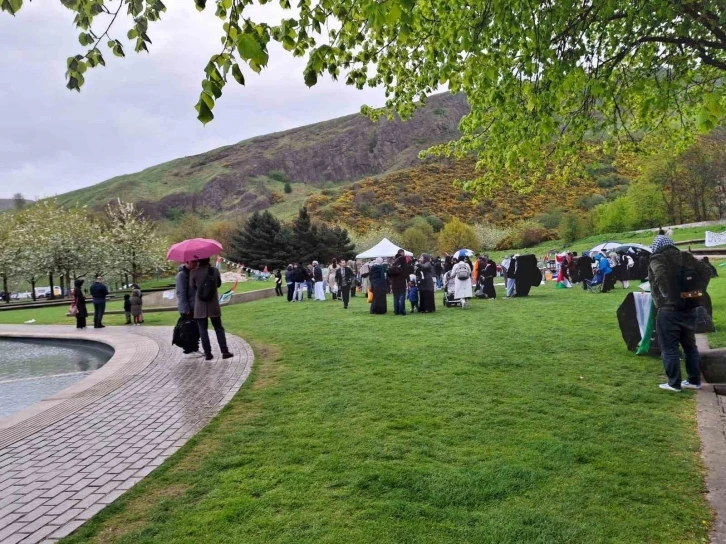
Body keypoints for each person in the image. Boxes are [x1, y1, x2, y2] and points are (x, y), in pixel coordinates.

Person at [649, 235, 711, 392]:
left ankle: (673, 383)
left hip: (668, 310)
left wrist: (667, 296)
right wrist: (698, 291)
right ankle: (694, 380)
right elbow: (706, 270)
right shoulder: (686, 256)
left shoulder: (658, 258)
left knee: (669, 347)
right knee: (690, 346)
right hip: (690, 307)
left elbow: (660, 276)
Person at [190, 257, 233, 361]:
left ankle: (208, 354)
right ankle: (225, 351)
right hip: (213, 304)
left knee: (203, 330)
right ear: (208, 259)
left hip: (200, 305)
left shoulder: (193, 272)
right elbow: (218, 284)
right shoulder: (214, 270)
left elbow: (192, 286)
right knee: (218, 328)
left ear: (199, 260)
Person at [176, 261, 201, 354]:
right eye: (193, 262)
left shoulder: (193, 273)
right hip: (188, 308)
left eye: (196, 262)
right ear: (187, 262)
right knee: (188, 329)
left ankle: (194, 347)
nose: (196, 264)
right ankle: (188, 349)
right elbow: (181, 293)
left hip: (196, 306)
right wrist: (186, 309)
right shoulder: (181, 275)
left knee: (195, 329)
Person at [388, 250, 408, 315]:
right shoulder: (403, 265)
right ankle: (402, 310)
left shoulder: (392, 266)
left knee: (396, 298)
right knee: (402, 297)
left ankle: (396, 311)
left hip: (394, 283)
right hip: (401, 283)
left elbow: (389, 275)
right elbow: (405, 274)